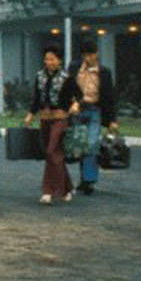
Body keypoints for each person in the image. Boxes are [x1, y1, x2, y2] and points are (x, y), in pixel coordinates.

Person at [59, 37, 119, 194]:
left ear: (96, 54)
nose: (88, 59)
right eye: (85, 55)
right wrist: (70, 104)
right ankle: (82, 177)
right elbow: (66, 88)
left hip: (94, 110)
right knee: (78, 144)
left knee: (91, 144)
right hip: (77, 110)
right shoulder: (74, 67)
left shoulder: (105, 72)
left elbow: (110, 96)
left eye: (91, 55)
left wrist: (113, 120)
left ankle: (89, 181)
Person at [24, 44, 73, 204]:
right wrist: (31, 115)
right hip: (44, 118)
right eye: (46, 59)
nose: (49, 62)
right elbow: (36, 98)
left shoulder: (67, 77)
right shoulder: (40, 76)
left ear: (59, 60)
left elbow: (78, 95)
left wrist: (76, 105)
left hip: (60, 118)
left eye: (52, 59)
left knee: (52, 152)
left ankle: (48, 191)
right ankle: (67, 188)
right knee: (53, 154)